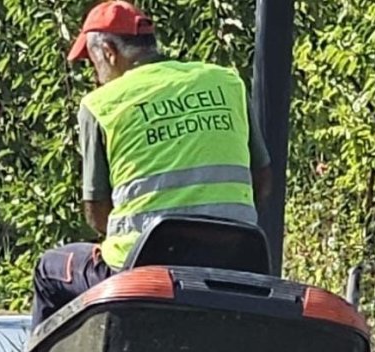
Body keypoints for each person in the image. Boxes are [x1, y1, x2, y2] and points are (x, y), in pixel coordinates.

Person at [27, 0, 273, 331]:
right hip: (237, 257)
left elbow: (98, 215)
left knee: (49, 269)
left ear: (110, 52)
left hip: (140, 269)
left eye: (93, 63)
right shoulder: (225, 83)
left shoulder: (102, 105)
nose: (95, 76)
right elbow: (263, 181)